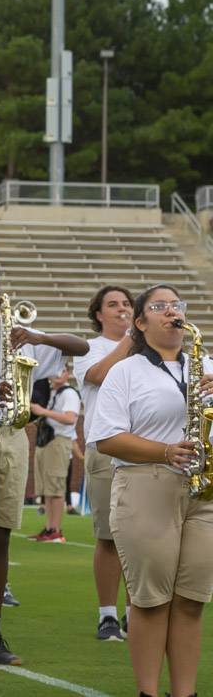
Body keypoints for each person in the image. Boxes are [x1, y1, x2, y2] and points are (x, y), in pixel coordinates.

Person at [0, 255, 88, 666]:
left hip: (14, 434)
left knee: (1, 534)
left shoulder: (18, 331)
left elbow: (80, 346)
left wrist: (38, 338)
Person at [88, 285, 213, 697]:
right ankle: (147, 692)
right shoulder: (126, 370)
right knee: (151, 600)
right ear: (141, 323)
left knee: (192, 600)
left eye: (176, 305)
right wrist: (164, 451)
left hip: (202, 490)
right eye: (159, 306)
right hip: (146, 485)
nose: (171, 312)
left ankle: (186, 692)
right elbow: (105, 437)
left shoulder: (206, 364)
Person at [74, 284, 135, 641]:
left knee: (140, 537)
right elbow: (96, 376)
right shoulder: (89, 348)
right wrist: (130, 341)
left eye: (127, 304)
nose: (122, 309)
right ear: (98, 314)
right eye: (113, 305)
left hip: (142, 450)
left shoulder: (147, 350)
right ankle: (107, 615)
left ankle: (135, 612)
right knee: (108, 536)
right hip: (106, 448)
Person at [28, 364, 81, 543]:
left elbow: (70, 418)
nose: (59, 374)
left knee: (56, 488)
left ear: (68, 374)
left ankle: (56, 530)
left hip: (58, 442)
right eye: (57, 370)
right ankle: (49, 528)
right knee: (47, 489)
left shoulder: (69, 393)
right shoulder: (50, 393)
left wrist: (43, 412)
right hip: (46, 441)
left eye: (63, 371)